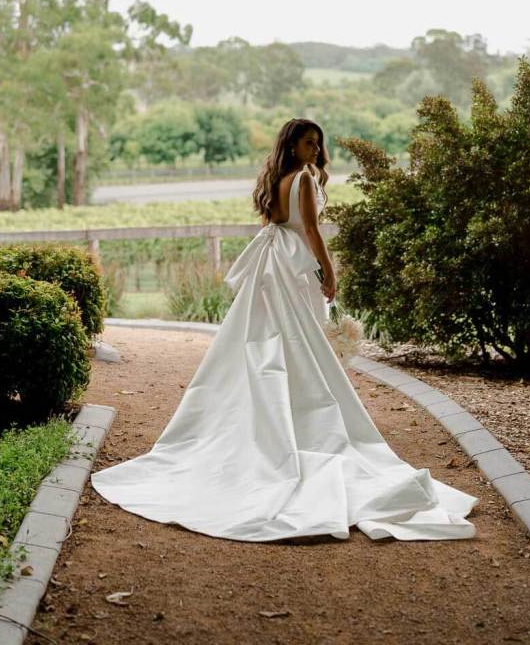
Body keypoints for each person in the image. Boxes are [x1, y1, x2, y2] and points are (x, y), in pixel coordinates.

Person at [90, 117, 478, 542]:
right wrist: (329, 273)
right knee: (298, 342)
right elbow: (311, 230)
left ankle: (279, 418)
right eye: (309, 143)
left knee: (274, 343)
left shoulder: (275, 179)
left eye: (318, 143)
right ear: (292, 146)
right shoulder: (305, 181)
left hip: (273, 264)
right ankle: (300, 424)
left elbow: (272, 226)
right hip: (293, 266)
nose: (316, 149)